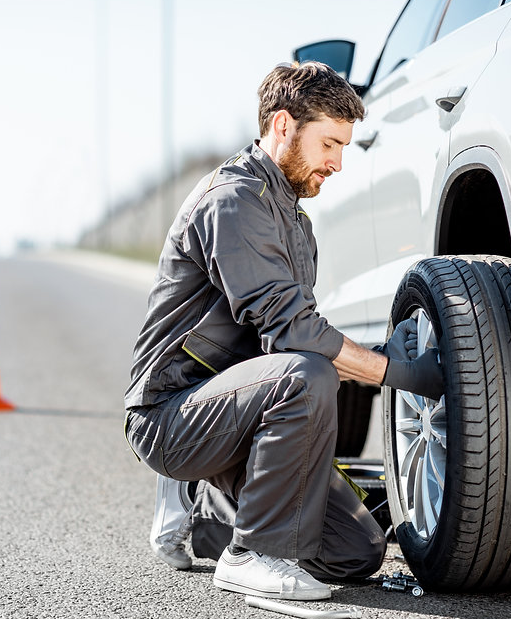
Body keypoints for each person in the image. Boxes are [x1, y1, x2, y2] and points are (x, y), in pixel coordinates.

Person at [124, 62, 444, 601]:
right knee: (304, 374)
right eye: (329, 144)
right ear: (281, 126)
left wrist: (370, 357)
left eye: (344, 147)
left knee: (355, 551)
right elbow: (295, 340)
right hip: (170, 413)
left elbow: (288, 339)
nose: (338, 163)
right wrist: (394, 372)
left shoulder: (297, 224)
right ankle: (253, 554)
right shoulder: (233, 201)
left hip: (236, 411)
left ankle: (209, 513)